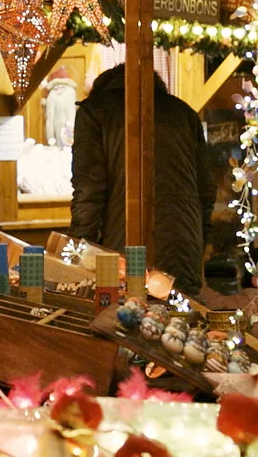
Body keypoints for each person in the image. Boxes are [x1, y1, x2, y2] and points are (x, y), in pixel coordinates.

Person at [71, 62, 210, 290]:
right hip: (184, 248)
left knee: (127, 319)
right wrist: (196, 241)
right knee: (181, 321)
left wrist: (79, 256)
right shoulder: (184, 113)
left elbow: (88, 191)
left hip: (124, 253)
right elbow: (206, 190)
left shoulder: (94, 113)